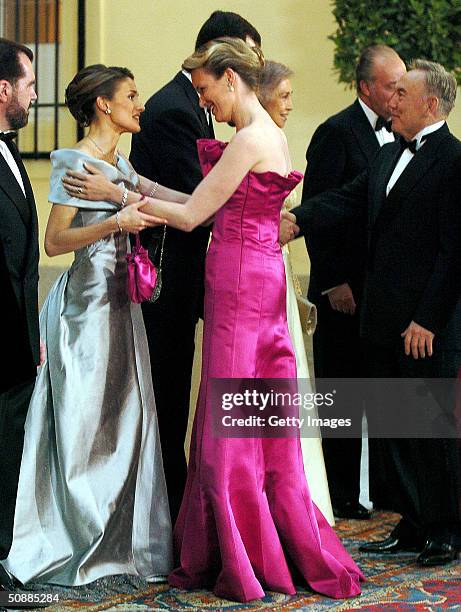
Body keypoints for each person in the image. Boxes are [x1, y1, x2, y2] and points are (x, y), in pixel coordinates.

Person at [70, 38, 364, 602]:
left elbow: (189, 215)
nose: (205, 103)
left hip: (240, 283)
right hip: (250, 277)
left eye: (206, 90)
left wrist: (114, 191)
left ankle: (238, 552)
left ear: (231, 78)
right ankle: (252, 540)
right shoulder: (260, 136)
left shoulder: (252, 137)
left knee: (228, 424)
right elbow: (199, 197)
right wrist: (131, 184)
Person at [2, 64, 176, 586]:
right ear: (104, 104)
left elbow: (170, 203)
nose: (140, 103)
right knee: (88, 428)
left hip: (121, 306)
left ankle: (120, 543)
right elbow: (56, 242)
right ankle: (84, 543)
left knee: (126, 425)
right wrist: (117, 221)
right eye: (132, 93)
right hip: (86, 309)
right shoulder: (73, 160)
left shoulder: (117, 160)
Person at [286, 60, 461, 567]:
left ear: (430, 104)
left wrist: (427, 320)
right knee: (392, 430)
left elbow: (455, 254)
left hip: (426, 327)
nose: (393, 100)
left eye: (403, 93)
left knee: (432, 431)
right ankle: (411, 523)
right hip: (383, 322)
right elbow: (344, 199)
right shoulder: (386, 157)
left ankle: (446, 530)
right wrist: (296, 219)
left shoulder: (453, 161)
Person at [129, 11, 262, 524]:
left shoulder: (207, 110)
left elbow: (202, 201)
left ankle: (198, 502)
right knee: (169, 388)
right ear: (221, 55)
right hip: (169, 273)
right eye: (246, 53)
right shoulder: (174, 108)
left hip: (206, 267)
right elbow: (194, 203)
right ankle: (170, 505)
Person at [301, 45, 406, 520]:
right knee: (340, 393)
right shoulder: (335, 133)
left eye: (403, 87)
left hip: (383, 292)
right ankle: (340, 493)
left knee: (381, 394)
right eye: (391, 86)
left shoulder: (404, 136)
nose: (397, 95)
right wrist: (333, 283)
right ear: (366, 87)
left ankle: (386, 490)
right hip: (341, 290)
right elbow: (320, 209)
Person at [258, 59, 333, 524]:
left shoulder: (272, 140)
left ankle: (299, 495)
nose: (290, 104)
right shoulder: (259, 140)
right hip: (261, 274)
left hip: (277, 268)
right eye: (284, 95)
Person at [0, 37, 39, 592]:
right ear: (3, 89)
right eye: (29, 84)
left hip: (16, 338)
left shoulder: (10, 151)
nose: (35, 94)